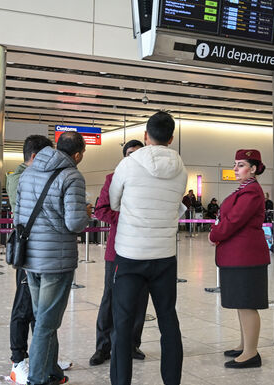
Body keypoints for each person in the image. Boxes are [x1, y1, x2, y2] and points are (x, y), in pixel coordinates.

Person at [108, 111, 188, 385]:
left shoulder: (128, 165)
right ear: (172, 138)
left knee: (123, 324)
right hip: (165, 256)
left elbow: (114, 201)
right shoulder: (181, 168)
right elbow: (176, 206)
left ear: (146, 136)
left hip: (130, 256)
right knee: (168, 321)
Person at [16, 131, 90, 385]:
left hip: (30, 256)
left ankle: (53, 372)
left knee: (43, 317)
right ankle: (37, 379)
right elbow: (75, 223)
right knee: (47, 322)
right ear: (78, 154)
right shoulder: (72, 176)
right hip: (56, 260)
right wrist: (86, 214)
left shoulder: (29, 172)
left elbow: (18, 214)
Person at [208, 149, 270, 369]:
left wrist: (214, 234)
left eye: (241, 164)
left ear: (253, 169)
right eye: (235, 164)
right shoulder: (245, 189)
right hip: (237, 255)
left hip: (246, 256)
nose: (235, 168)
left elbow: (235, 219)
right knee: (240, 302)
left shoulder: (252, 191)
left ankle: (251, 353)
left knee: (247, 304)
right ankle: (245, 345)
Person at [90, 139, 149, 367]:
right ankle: (103, 347)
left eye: (137, 154)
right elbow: (101, 210)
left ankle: (132, 344)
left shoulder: (150, 181)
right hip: (117, 250)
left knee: (140, 299)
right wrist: (128, 219)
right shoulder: (112, 178)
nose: (133, 158)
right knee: (110, 299)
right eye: (129, 154)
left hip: (144, 249)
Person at [6, 135, 56, 385]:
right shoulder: (20, 178)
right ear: (35, 157)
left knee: (39, 308)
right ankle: (18, 361)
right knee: (24, 305)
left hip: (41, 251)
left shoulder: (31, 176)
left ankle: (42, 357)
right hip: (29, 251)